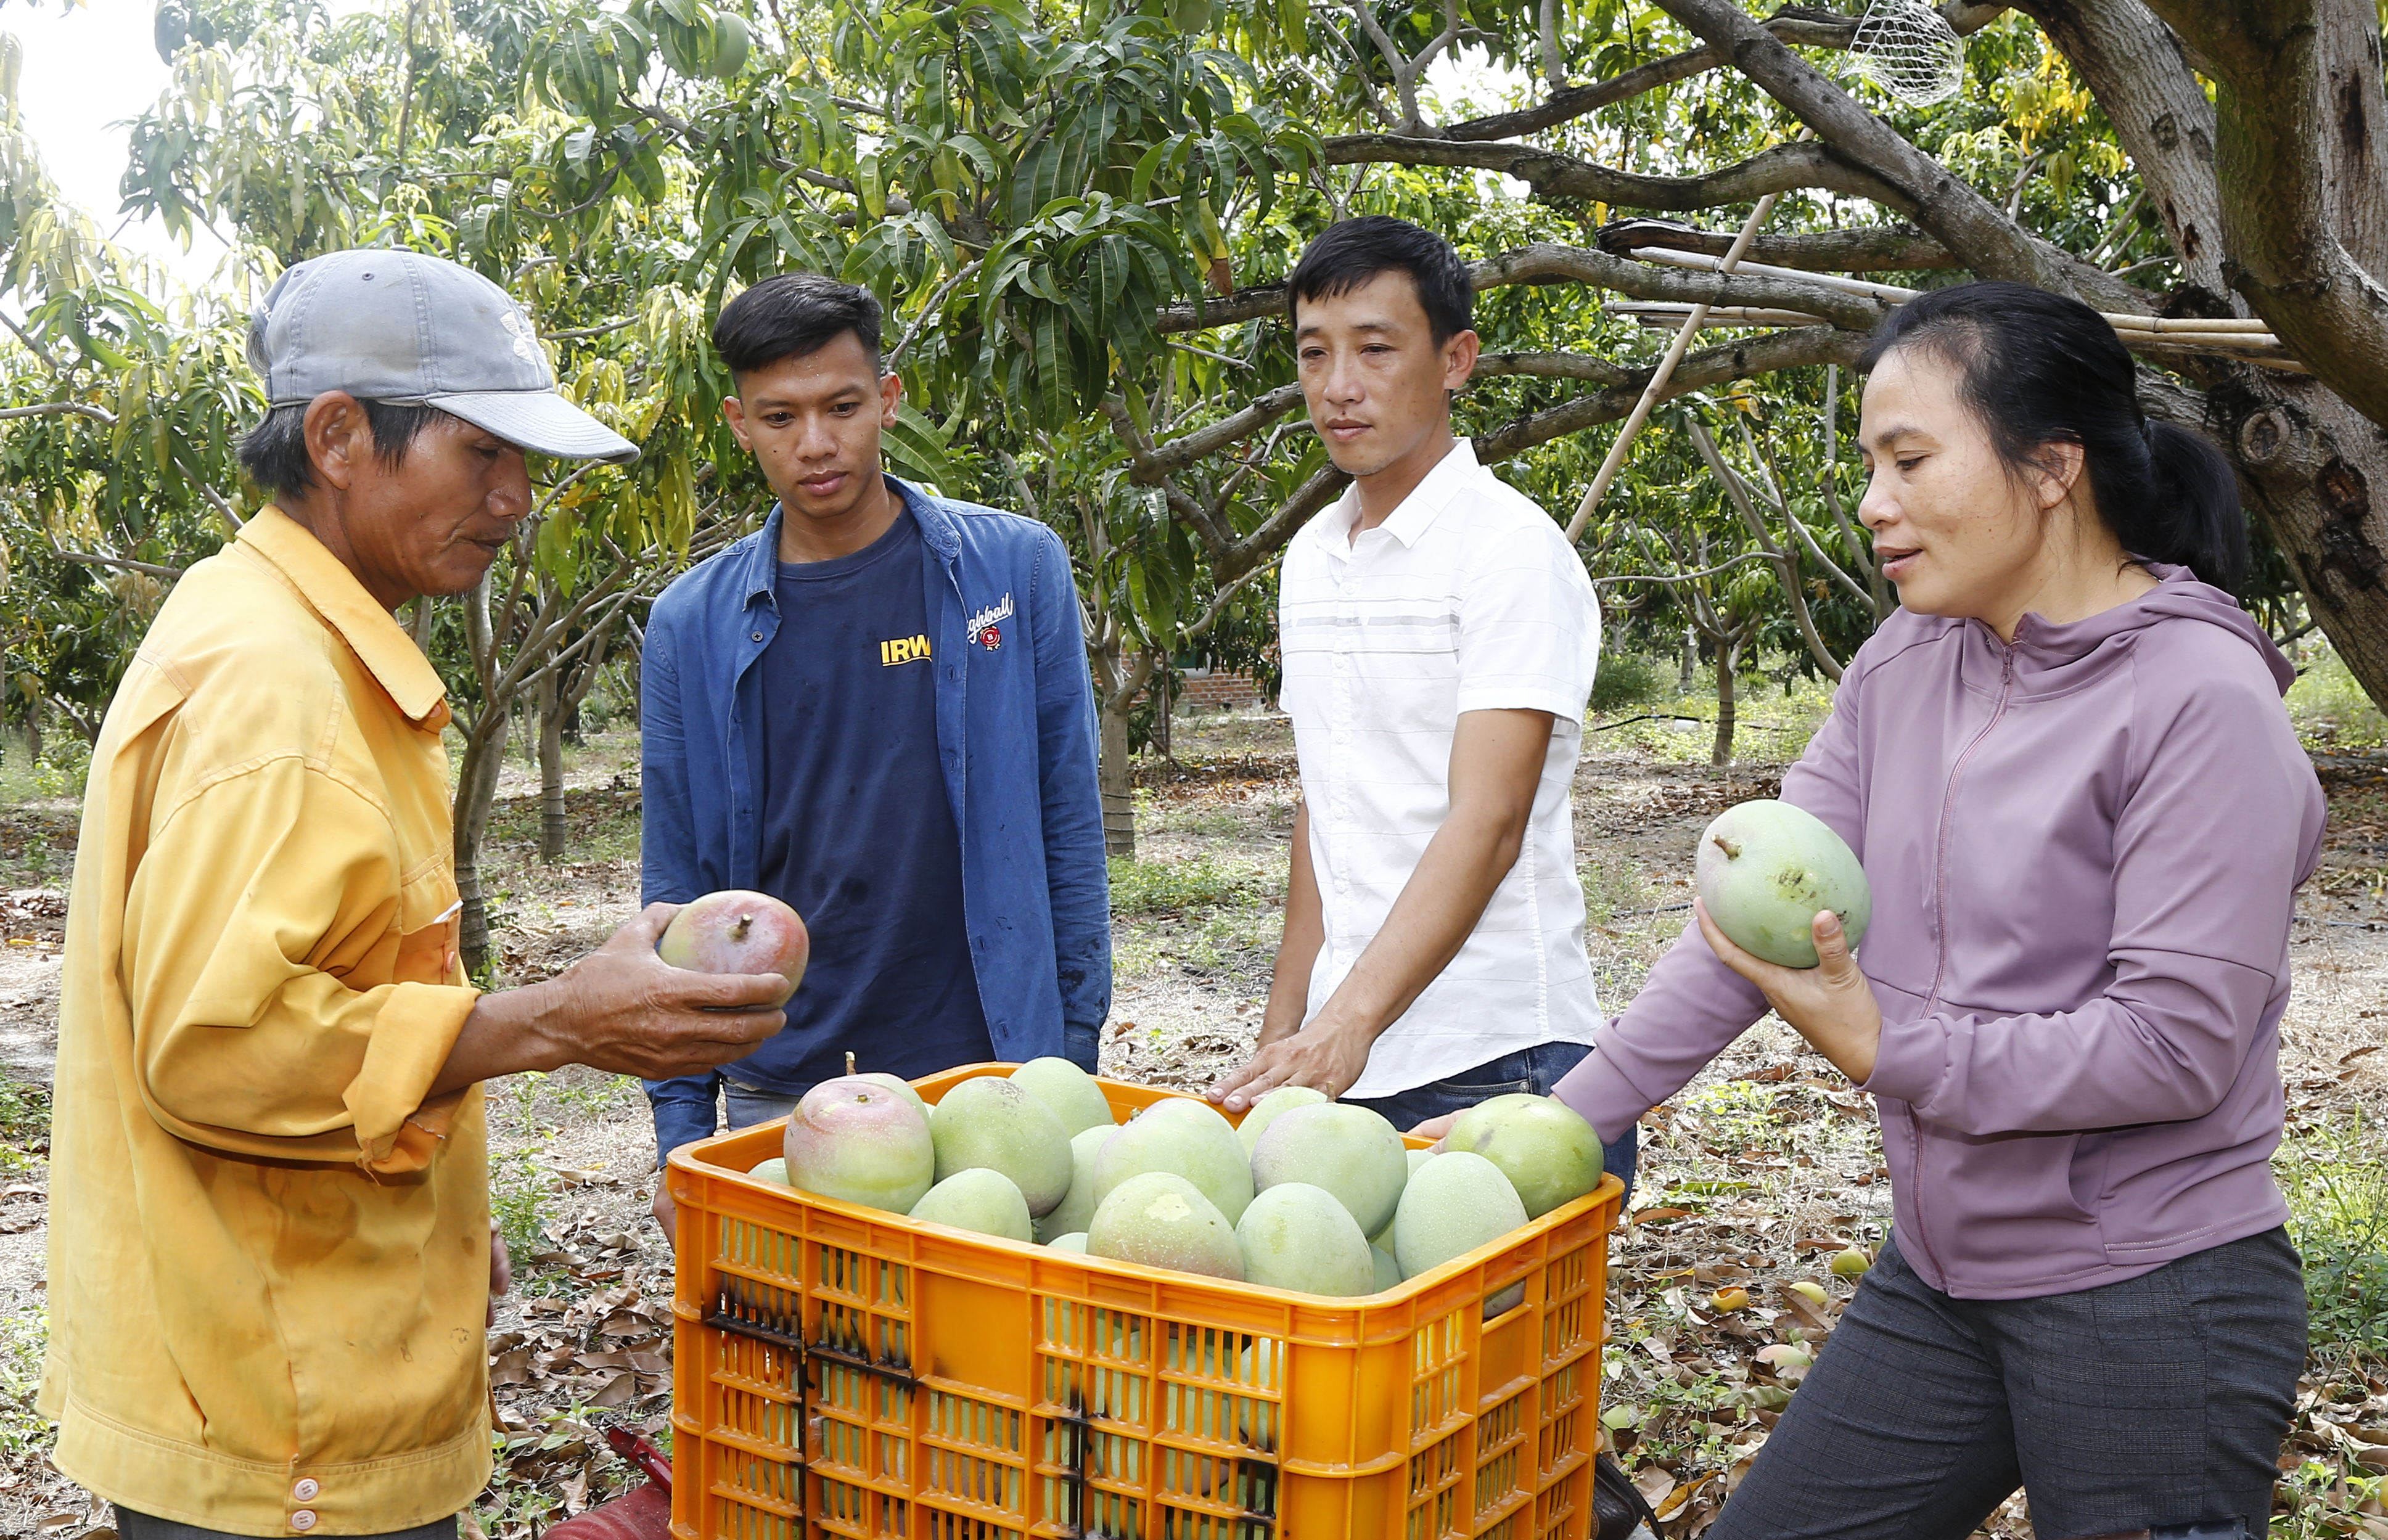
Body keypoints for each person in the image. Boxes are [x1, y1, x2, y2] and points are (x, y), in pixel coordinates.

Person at [1511, 281, 2321, 1539]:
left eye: (1908, 460)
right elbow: (1747, 923)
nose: (1871, 503)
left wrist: (1889, 1045)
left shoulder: (2196, 697)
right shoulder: (1902, 662)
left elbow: (2173, 1045)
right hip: (1942, 1279)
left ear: (2050, 466)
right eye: (1867, 467)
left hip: (2150, 1291)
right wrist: (1556, 1125)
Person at [40, 250, 794, 1537]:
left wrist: (436, 1212)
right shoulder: (277, 684)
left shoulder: (269, 625)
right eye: (480, 452)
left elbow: (336, 974)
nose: (515, 498)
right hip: (278, 1424)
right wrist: (555, 1019)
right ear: (337, 438)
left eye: (523, 462)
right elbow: (218, 1048)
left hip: (284, 1339)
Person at [641, 273, 1109, 1240]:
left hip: (989, 1077)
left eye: (842, 407)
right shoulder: (690, 625)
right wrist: (681, 1137)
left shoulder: (1012, 570)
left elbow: (1067, 821)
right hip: (790, 1086)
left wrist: (1066, 1060)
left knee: (986, 1330)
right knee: (806, 1334)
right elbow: (678, 883)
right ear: (738, 424)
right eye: (781, 416)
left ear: (888, 399)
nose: (815, 443)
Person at [1206, 216, 1636, 1199]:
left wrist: (1346, 1024)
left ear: (1455, 360)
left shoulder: (1508, 553)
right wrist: (1286, 1032)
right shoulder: (1312, 558)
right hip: (1345, 1065)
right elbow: (1327, 808)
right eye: (1313, 353)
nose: (1337, 386)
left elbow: (1488, 821)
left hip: (1494, 1056)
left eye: (1374, 348)